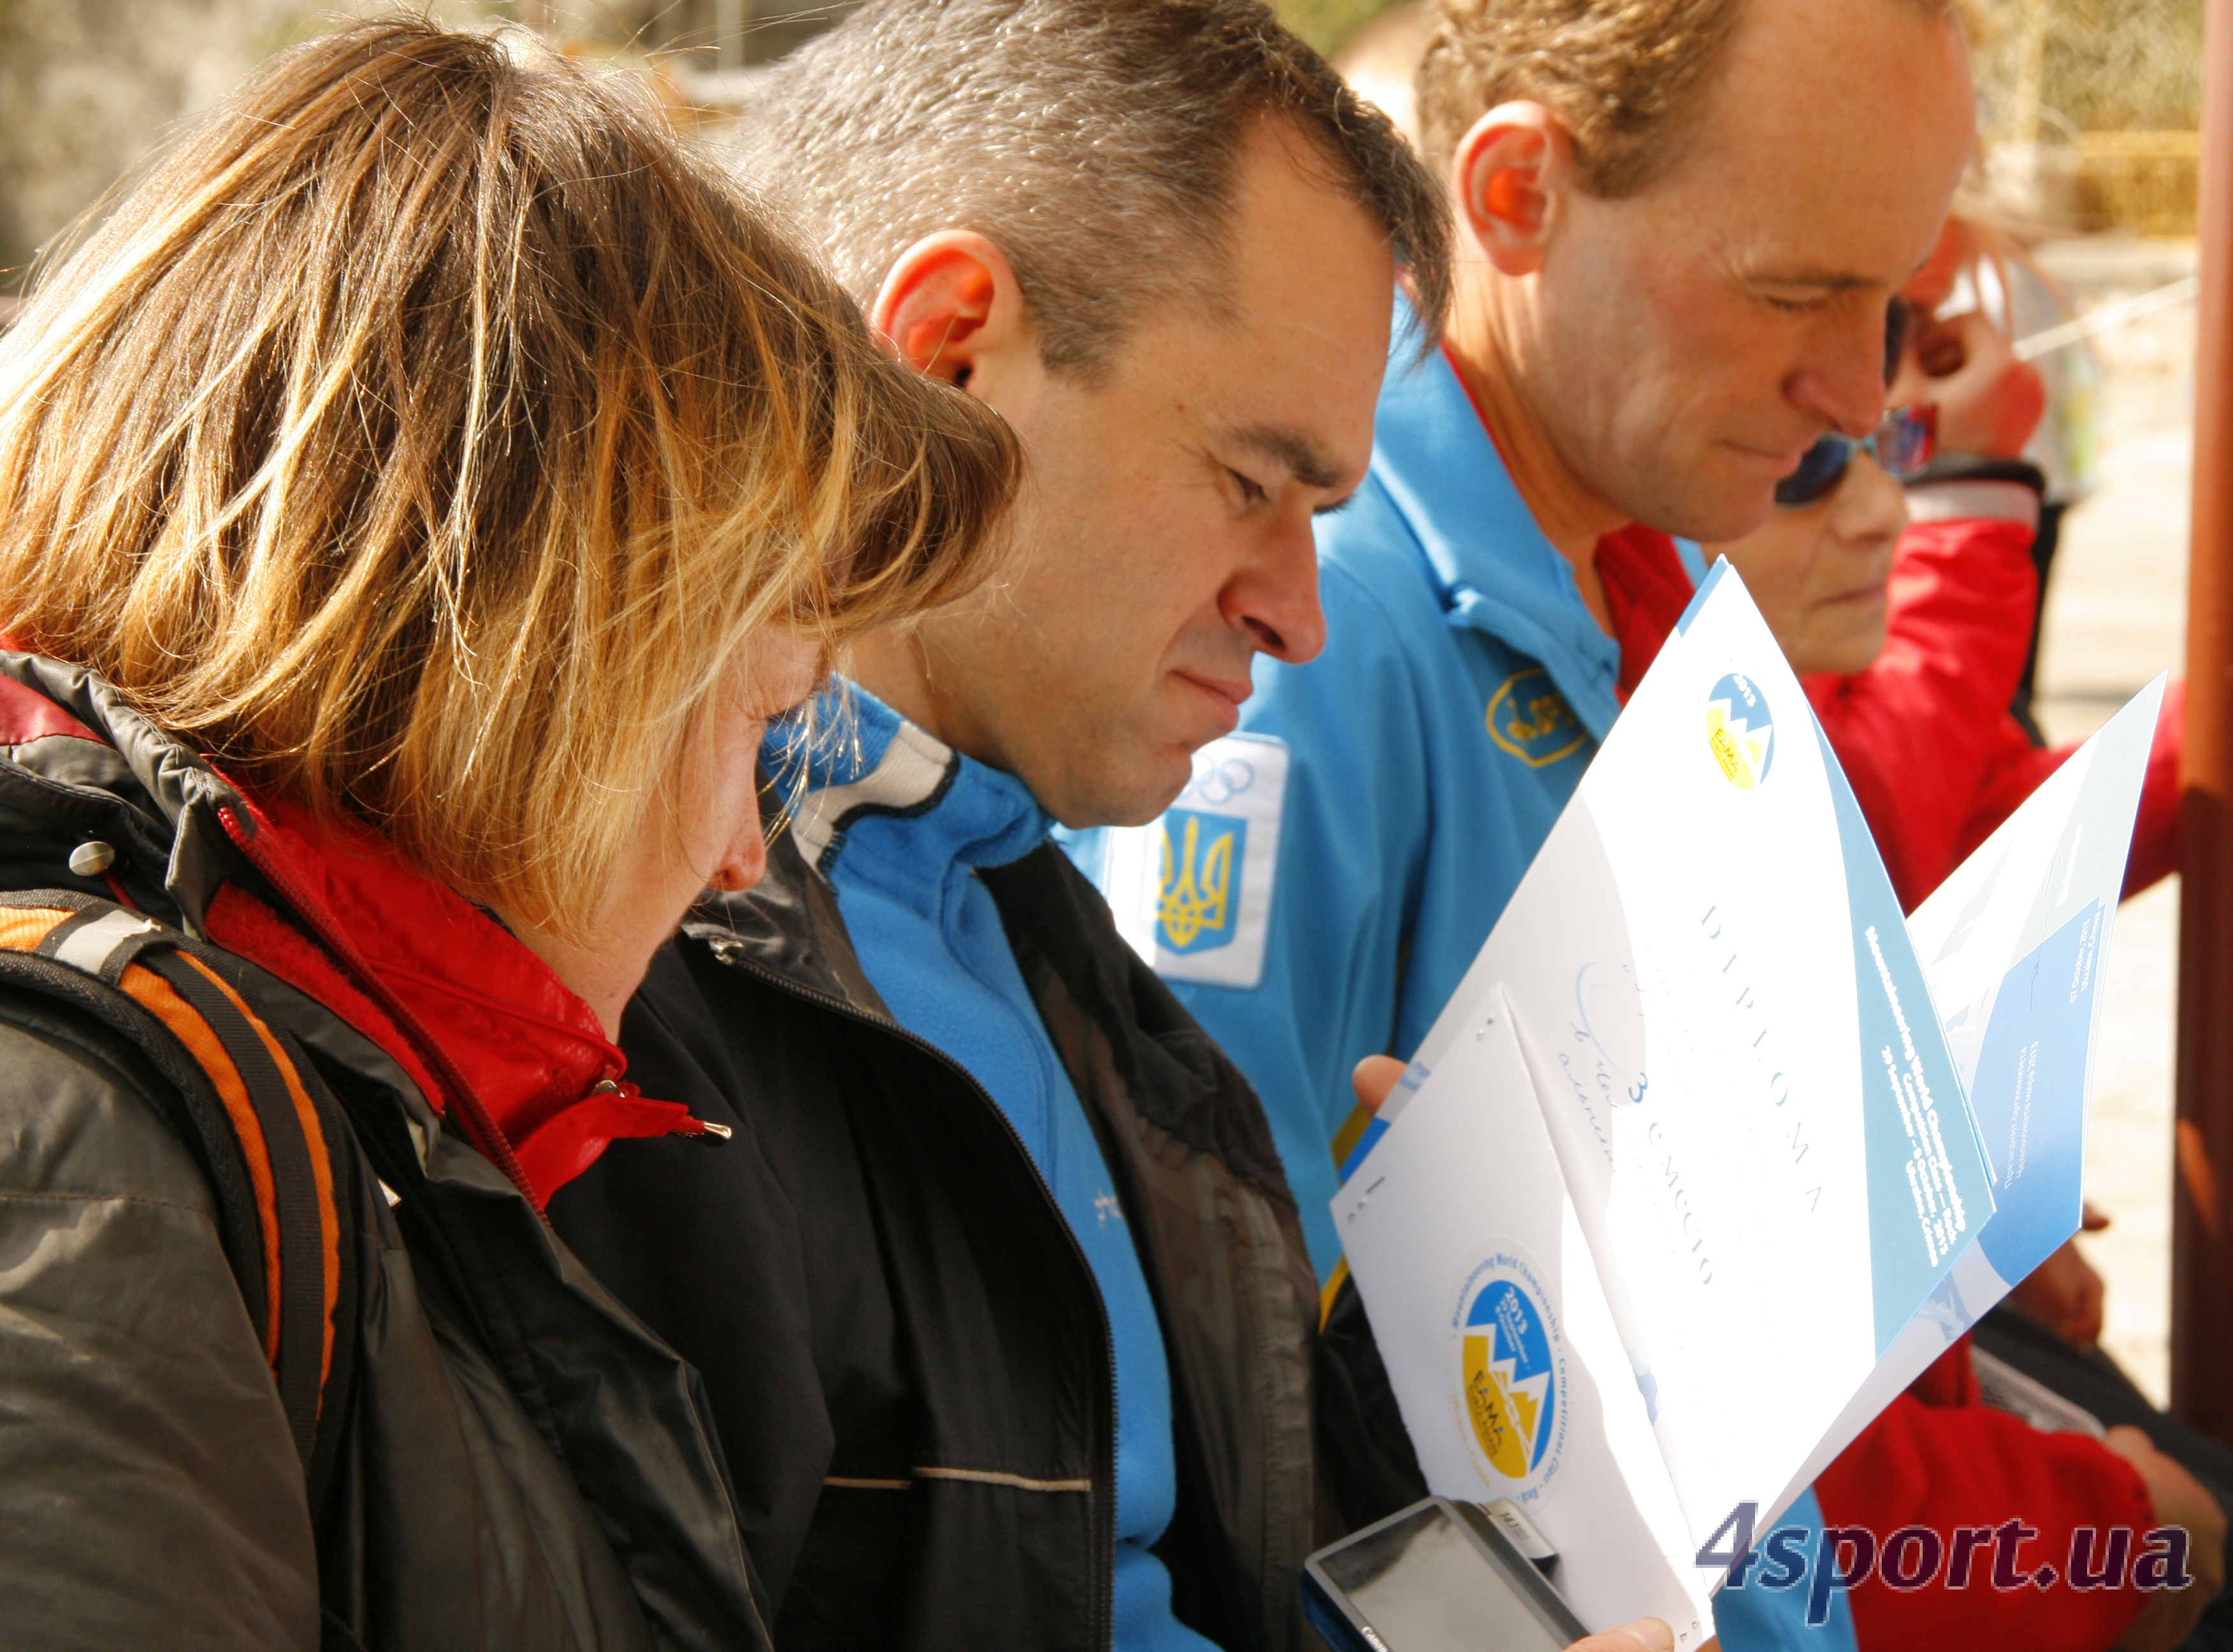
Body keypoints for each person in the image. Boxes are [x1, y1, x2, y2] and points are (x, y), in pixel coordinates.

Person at [1071, 1, 2211, 1647]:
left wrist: (1913, 1238)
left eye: (1889, 294)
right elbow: (1212, 1449)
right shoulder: (1317, 652)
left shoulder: (1636, 550)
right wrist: (2096, 1552)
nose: (1851, 387)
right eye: (1794, 290)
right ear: (1519, 195)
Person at [0, 20, 1018, 1648]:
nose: (743, 861)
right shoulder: (76, 1151)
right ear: (562, 674)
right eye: (760, 723)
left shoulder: (368, 1100)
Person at [547, 4, 1498, 1649]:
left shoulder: (1032, 921)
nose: (1295, 615)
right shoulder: (595, 959)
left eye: (1324, 515)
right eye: (1251, 479)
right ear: (947, 353)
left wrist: (1444, 1369)